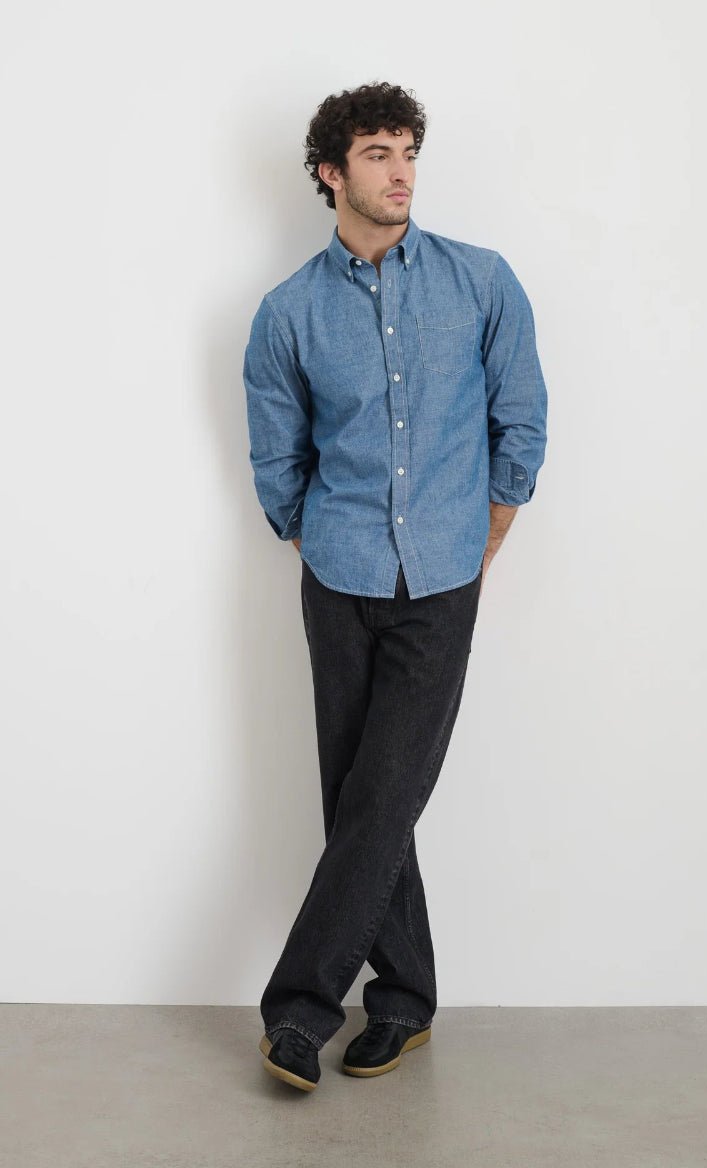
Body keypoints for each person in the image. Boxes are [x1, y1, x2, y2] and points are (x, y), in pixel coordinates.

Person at [243, 80, 548, 1092]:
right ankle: (406, 1001)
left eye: (409, 150)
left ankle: (296, 1012)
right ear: (330, 172)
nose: (401, 171)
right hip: (337, 578)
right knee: (360, 803)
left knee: (379, 797)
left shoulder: (480, 283)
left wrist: (485, 530)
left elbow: (522, 422)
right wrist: (315, 536)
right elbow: (276, 461)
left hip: (442, 580)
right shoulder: (287, 312)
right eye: (377, 152)